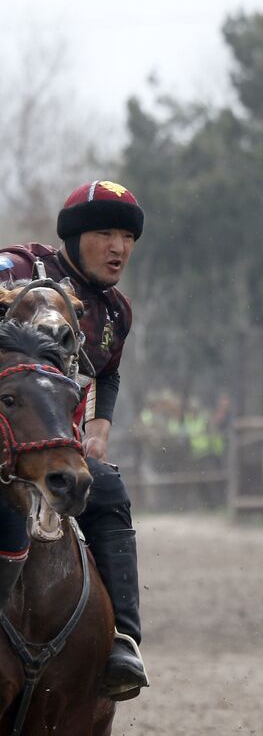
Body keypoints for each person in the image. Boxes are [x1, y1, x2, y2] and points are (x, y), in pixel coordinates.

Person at [0, 180, 149, 698]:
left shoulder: (116, 312)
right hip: (5, 434)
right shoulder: (18, 269)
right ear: (75, 236)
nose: (119, 248)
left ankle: (123, 641)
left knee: (108, 490)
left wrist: (100, 426)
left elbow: (106, 372)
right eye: (105, 233)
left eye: (127, 236)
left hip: (51, 445)